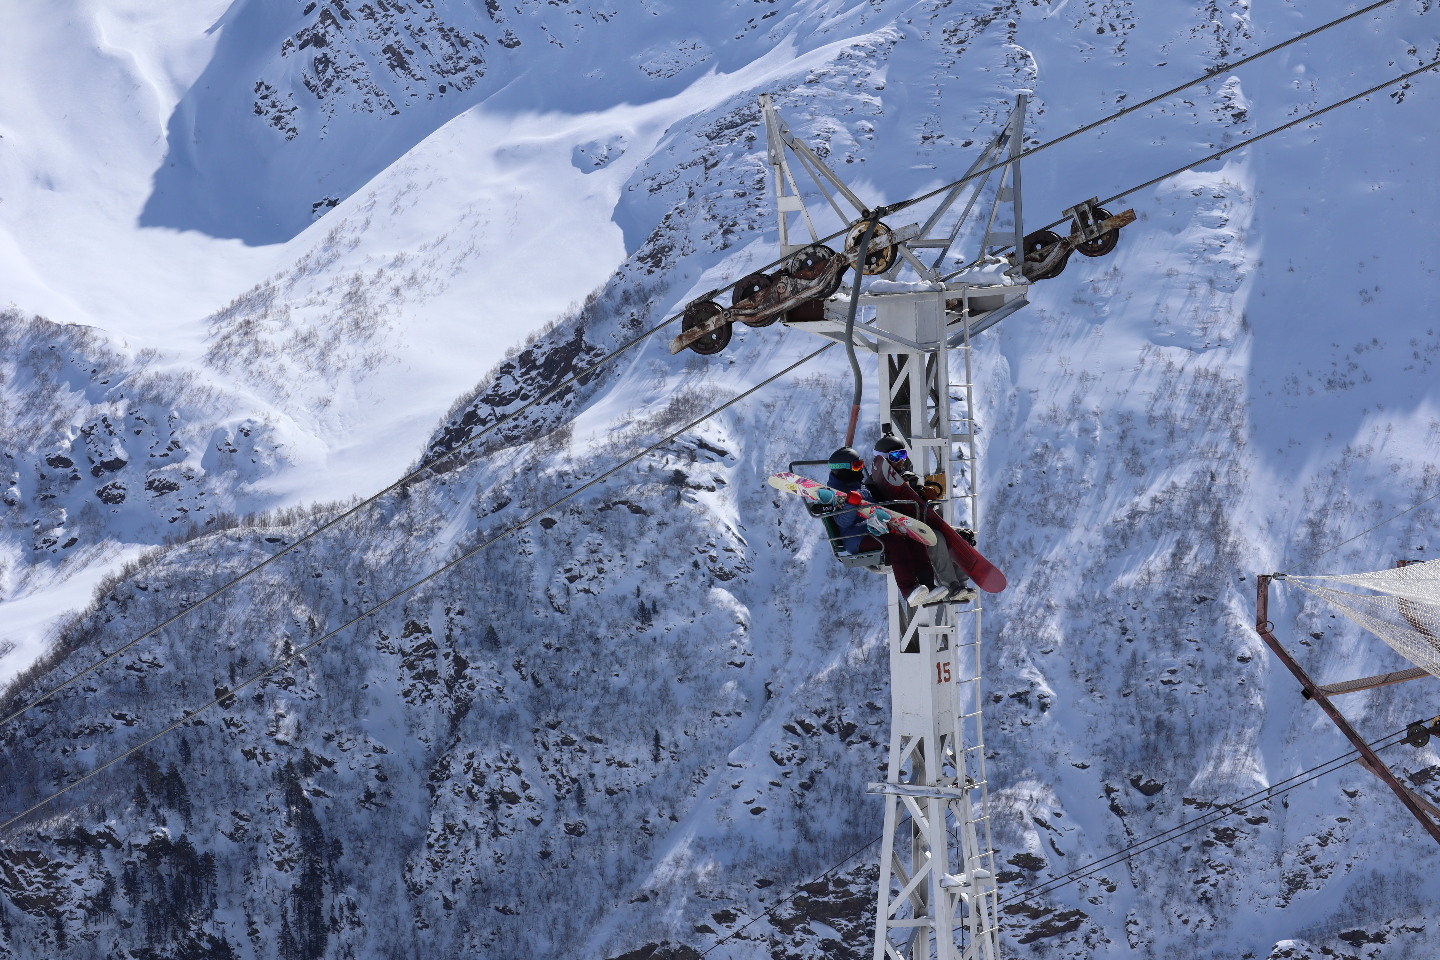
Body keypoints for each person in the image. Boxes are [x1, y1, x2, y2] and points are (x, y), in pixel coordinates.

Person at [820, 446, 952, 608]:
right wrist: (849, 505)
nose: (860, 469)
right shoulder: (835, 494)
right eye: (856, 466)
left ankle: (928, 585)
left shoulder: (859, 485)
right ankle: (909, 590)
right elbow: (842, 522)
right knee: (895, 544)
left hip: (875, 529)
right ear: (842, 470)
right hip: (855, 538)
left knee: (913, 538)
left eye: (861, 464)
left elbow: (875, 508)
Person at [866, 430, 978, 603]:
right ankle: (951, 586)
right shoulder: (875, 484)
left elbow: (918, 495)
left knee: (960, 536)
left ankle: (961, 584)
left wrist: (925, 492)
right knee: (937, 538)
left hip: (919, 522)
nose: (901, 460)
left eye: (903, 454)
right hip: (901, 528)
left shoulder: (907, 478)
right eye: (895, 456)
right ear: (883, 459)